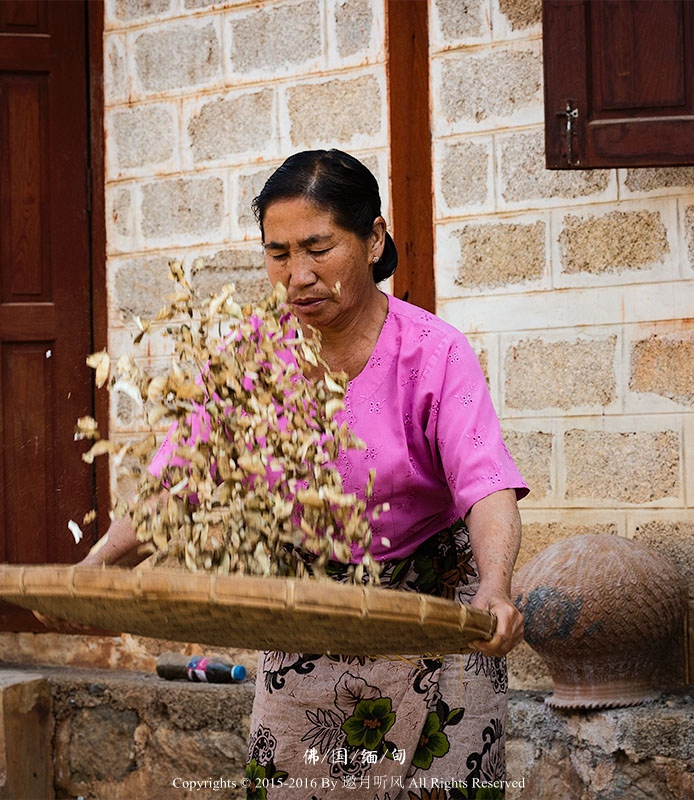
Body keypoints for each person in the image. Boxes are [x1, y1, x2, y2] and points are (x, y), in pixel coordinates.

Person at [81, 150, 527, 798]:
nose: (298, 275)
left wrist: (496, 585)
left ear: (373, 239)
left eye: (319, 248)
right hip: (309, 610)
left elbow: (484, 482)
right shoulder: (251, 360)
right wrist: (93, 570)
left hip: (436, 612)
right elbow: (177, 485)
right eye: (279, 253)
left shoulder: (434, 353)